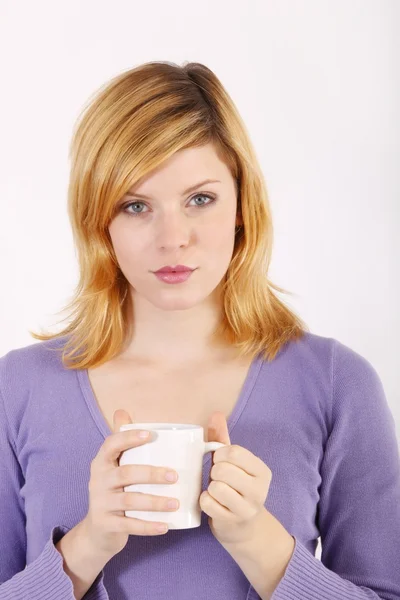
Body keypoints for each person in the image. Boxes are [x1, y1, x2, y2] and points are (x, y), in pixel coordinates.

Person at [0, 61, 399, 600]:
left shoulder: (336, 383)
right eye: (136, 205)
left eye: (200, 199)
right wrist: (87, 545)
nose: (173, 239)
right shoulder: (18, 388)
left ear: (241, 205)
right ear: (100, 221)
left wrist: (260, 543)